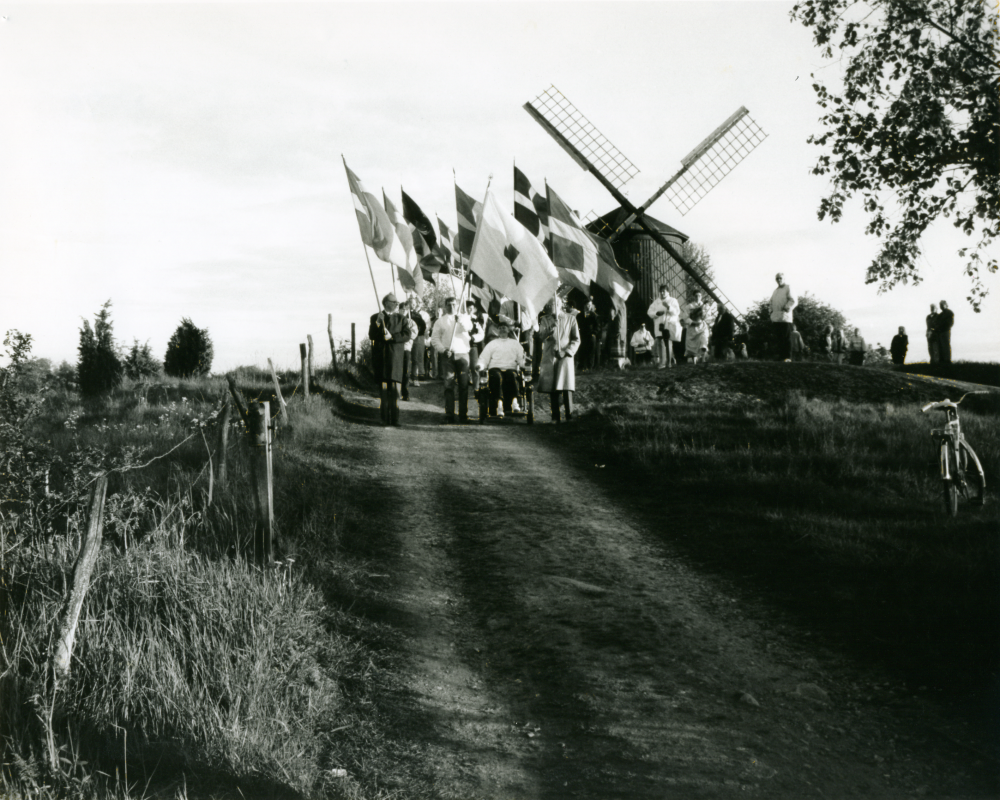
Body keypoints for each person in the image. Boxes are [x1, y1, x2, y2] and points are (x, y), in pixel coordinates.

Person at [367, 293, 413, 427]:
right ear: (386, 302)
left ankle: (395, 419)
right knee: (384, 389)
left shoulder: (401, 318)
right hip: (381, 359)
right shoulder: (376, 317)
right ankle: (384, 419)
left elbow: (407, 335)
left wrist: (392, 337)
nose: (396, 305)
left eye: (397, 303)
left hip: (395, 359)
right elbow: (372, 335)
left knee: (395, 390)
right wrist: (378, 323)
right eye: (394, 302)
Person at [537, 295, 580, 422]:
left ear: (560, 304)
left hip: (565, 356)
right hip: (550, 354)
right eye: (549, 305)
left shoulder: (570, 319)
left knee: (566, 386)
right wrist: (551, 329)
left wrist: (567, 351)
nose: (551, 307)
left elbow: (576, 339)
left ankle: (569, 415)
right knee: (552, 387)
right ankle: (555, 416)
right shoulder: (545, 319)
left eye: (554, 304)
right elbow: (540, 336)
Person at [430, 296, 473, 424]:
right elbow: (435, 339)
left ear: (458, 305)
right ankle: (449, 415)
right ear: (445, 306)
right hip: (448, 356)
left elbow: (468, 328)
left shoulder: (464, 317)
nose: (452, 307)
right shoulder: (440, 321)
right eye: (449, 304)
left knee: (464, 386)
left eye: (454, 304)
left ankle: (463, 415)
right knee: (448, 385)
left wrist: (460, 321)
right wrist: (443, 350)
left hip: (463, 354)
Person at [477, 323, 526, 418]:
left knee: (512, 375)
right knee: (497, 377)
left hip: (510, 367)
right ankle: (499, 405)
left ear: (508, 330)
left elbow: (521, 359)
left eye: (504, 327)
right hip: (495, 367)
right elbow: (484, 358)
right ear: (497, 331)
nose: (502, 329)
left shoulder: (515, 343)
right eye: (500, 328)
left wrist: (525, 364)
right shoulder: (492, 344)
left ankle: (515, 403)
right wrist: (480, 365)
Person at [647, 285, 681, 369]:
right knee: (660, 342)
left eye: (664, 291)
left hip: (669, 324)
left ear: (668, 292)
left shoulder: (673, 300)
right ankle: (662, 363)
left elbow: (677, 312)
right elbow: (649, 311)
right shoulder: (656, 302)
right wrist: (656, 313)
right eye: (661, 291)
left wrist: (668, 307)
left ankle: (669, 362)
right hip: (659, 324)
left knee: (668, 343)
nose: (662, 293)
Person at [769, 273, 797, 361]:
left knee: (786, 338)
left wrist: (787, 307)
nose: (779, 280)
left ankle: (787, 357)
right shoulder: (775, 291)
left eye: (780, 278)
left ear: (784, 279)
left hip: (785, 318)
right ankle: (781, 357)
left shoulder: (788, 287)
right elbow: (771, 302)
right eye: (777, 278)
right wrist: (770, 312)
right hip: (776, 318)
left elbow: (793, 300)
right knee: (779, 338)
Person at [683, 290, 711, 364]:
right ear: (693, 297)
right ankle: (692, 358)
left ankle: (703, 357)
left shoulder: (705, 306)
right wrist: (692, 322)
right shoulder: (689, 306)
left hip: (702, 326)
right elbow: (685, 317)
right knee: (691, 345)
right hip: (692, 327)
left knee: (703, 340)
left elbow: (708, 316)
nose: (697, 297)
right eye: (696, 296)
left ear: (701, 297)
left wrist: (704, 317)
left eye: (699, 296)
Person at [466, 300, 485, 392]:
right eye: (468, 308)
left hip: (473, 345)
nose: (470, 310)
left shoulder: (475, 320)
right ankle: (462, 388)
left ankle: (476, 388)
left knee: (475, 367)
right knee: (463, 368)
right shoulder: (460, 318)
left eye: (471, 308)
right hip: (462, 346)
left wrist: (474, 338)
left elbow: (481, 333)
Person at [578, 298, 600, 371]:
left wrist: (594, 333)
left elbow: (598, 326)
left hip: (591, 336)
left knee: (591, 352)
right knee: (582, 350)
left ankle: (590, 367)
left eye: (590, 305)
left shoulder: (594, 315)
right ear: (584, 305)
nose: (589, 306)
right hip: (582, 335)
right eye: (588, 305)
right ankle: (582, 367)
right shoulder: (580, 315)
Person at [411, 303, 428, 380]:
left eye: (414, 304)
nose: (413, 305)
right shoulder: (407, 315)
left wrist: (418, 332)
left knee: (420, 355)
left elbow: (424, 325)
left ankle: (421, 373)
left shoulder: (419, 315)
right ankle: (411, 373)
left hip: (419, 336)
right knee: (411, 356)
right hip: (410, 338)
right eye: (411, 304)